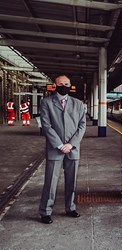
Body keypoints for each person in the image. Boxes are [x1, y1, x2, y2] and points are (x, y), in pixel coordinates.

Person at [38, 75, 86, 224]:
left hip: (73, 148)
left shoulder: (77, 104)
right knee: (50, 181)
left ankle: (70, 208)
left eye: (66, 84)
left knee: (71, 181)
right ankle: (45, 211)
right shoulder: (46, 103)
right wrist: (59, 145)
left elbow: (82, 126)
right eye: (60, 84)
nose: (63, 86)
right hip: (55, 148)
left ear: (70, 85)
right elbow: (46, 126)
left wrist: (71, 144)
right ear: (55, 85)